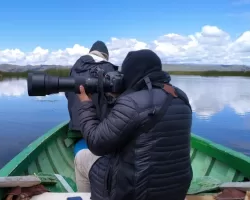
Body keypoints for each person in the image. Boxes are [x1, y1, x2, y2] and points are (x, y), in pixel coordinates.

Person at [74, 49, 193, 200]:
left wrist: (86, 104)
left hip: (135, 194)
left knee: (82, 157)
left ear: (131, 73)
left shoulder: (133, 102)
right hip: (175, 192)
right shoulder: (180, 96)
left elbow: (96, 143)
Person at [64, 40, 118, 156]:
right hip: (102, 131)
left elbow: (68, 94)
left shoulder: (75, 67)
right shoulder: (109, 68)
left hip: (76, 127)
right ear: (105, 55)